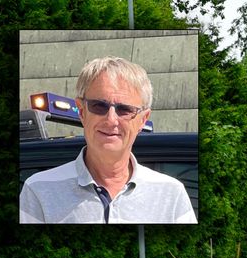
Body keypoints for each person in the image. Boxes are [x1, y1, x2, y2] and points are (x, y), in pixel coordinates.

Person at [19, 57, 197, 224]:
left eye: (125, 109)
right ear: (81, 111)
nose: (111, 120)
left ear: (143, 119)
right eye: (99, 106)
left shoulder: (171, 193)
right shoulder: (38, 190)